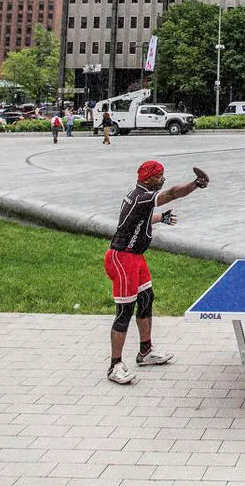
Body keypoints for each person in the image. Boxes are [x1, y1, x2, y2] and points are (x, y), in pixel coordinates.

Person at [104, 160, 211, 384]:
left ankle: (145, 352)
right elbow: (172, 193)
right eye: (160, 175)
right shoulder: (141, 196)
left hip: (136, 258)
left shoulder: (139, 197)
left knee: (146, 299)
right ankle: (115, 366)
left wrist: (160, 218)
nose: (163, 179)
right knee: (124, 312)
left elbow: (142, 218)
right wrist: (195, 184)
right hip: (122, 259)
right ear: (148, 178)